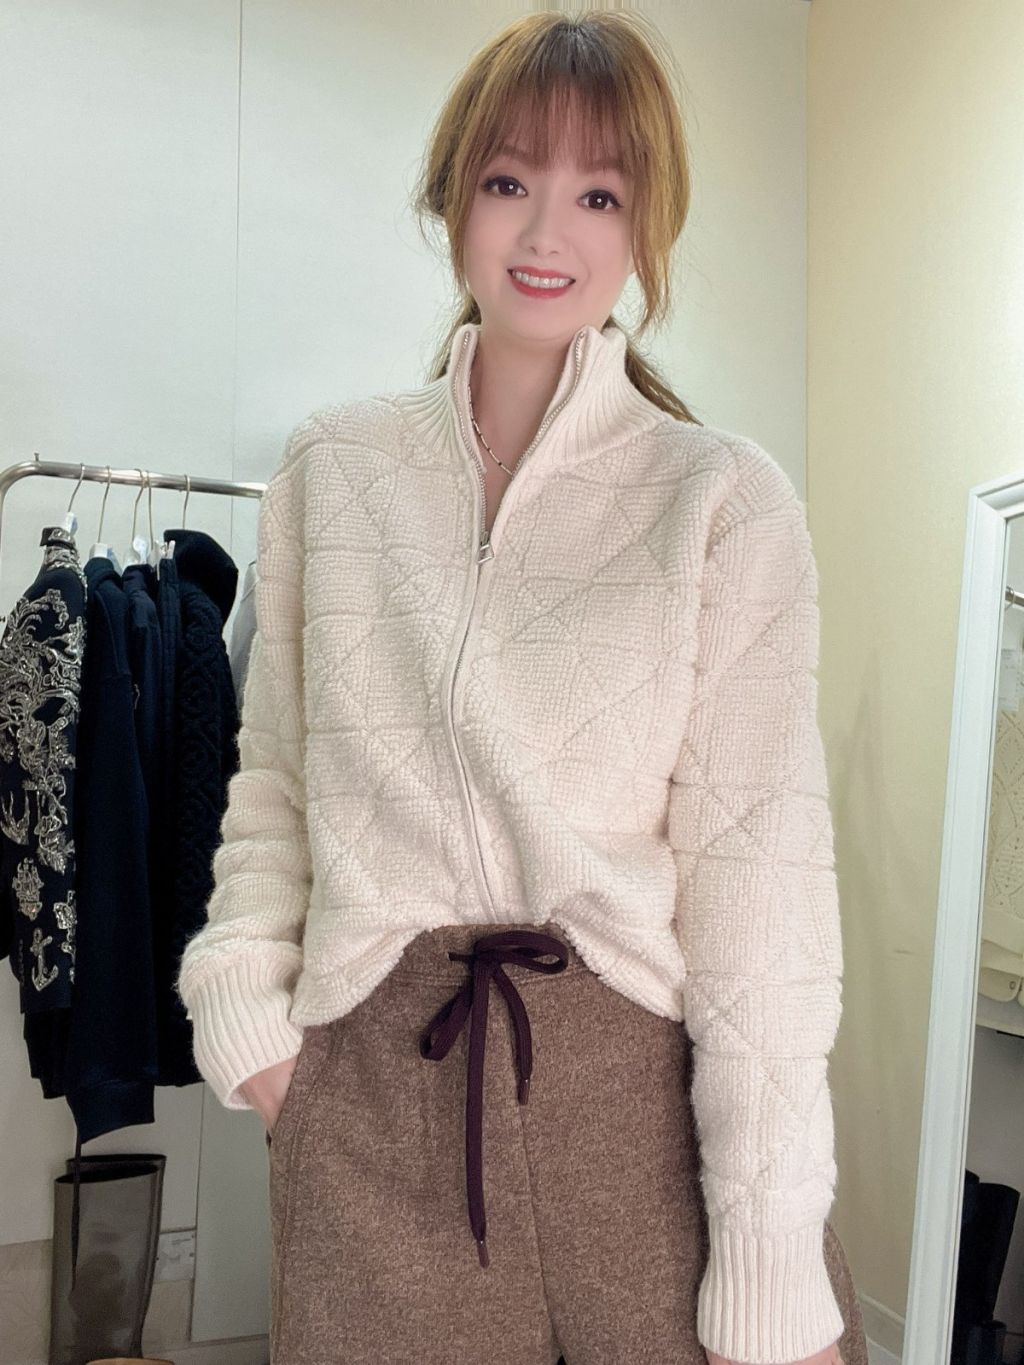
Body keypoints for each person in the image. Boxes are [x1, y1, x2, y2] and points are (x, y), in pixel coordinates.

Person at [177, 11, 867, 1365]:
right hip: (372, 1088)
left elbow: (763, 893)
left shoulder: (722, 501)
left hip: (638, 1106)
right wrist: (251, 1018)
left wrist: (770, 1250)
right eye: (509, 180)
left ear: (647, 226)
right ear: (454, 199)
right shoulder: (332, 470)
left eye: (600, 193)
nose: (549, 231)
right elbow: (277, 781)